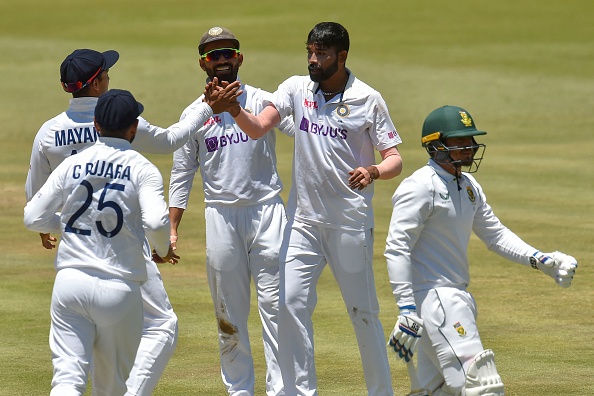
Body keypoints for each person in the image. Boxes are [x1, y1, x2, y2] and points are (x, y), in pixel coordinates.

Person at [24, 48, 240, 395]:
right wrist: (207, 108)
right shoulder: (120, 121)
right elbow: (172, 140)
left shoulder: (50, 132)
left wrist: (49, 228)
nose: (109, 77)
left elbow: (35, 203)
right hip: (124, 255)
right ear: (96, 84)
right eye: (106, 74)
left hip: (73, 260)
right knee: (160, 328)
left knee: (68, 377)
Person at [208, 21, 403, 396]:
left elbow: (394, 157)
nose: (313, 60)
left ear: (342, 56)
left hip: (348, 224)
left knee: (363, 315)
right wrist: (233, 109)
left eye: (322, 54)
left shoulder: (368, 98)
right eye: (310, 52)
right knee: (288, 307)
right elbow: (258, 127)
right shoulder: (296, 89)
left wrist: (374, 170)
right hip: (303, 224)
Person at [384, 105, 578, 396]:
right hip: (436, 300)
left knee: (436, 391)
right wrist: (407, 309)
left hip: (453, 298)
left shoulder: (468, 184)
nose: (468, 148)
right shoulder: (420, 186)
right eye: (459, 142)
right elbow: (396, 247)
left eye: (469, 141)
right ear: (435, 144)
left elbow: (496, 235)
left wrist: (542, 260)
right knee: (483, 386)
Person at [24, 89, 177, 395]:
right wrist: (162, 249)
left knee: (67, 380)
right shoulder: (143, 167)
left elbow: (33, 216)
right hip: (119, 289)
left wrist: (68, 224)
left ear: (96, 124)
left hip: (70, 283)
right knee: (111, 388)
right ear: (133, 127)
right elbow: (158, 222)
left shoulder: (73, 164)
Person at [168, 26, 294, 396]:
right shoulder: (194, 114)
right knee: (229, 315)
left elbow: (304, 133)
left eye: (228, 52)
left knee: (277, 310)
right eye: (213, 55)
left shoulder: (263, 100)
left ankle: (282, 390)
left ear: (239, 57)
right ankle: (239, 390)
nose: (221, 59)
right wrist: (172, 229)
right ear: (202, 64)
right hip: (220, 216)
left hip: (268, 211)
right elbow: (181, 172)